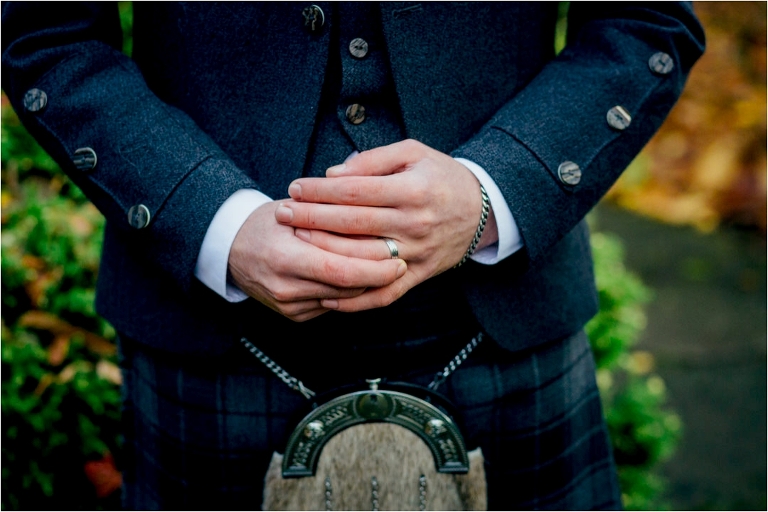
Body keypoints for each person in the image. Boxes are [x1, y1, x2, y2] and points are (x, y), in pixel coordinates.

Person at [2, 2, 704, 509]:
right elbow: (49, 31)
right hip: (210, 342)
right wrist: (213, 221)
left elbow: (643, 20)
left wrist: (494, 191)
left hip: (503, 335)